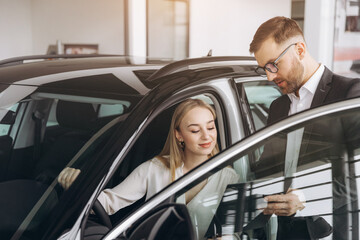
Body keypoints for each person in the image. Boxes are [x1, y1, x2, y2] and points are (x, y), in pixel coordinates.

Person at [58, 98, 239, 239]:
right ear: (179, 135)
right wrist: (80, 186)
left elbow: (235, 231)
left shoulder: (229, 177)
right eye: (195, 130)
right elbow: (107, 203)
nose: (206, 136)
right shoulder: (155, 168)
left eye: (210, 127)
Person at [249, 16, 360, 239]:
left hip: (331, 231)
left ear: (300, 50)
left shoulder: (349, 94)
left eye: (273, 65)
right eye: (264, 69)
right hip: (287, 233)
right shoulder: (278, 107)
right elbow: (266, 170)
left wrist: (306, 198)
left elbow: (357, 176)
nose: (270, 76)